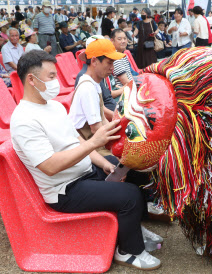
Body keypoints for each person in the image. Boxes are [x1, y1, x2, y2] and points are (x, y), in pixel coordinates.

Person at [11, 49, 162, 271]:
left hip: (84, 172)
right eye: (51, 77)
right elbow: (50, 166)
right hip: (65, 190)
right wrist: (94, 143)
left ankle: (133, 228)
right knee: (128, 195)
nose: (56, 82)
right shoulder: (24, 119)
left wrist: (104, 163)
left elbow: (75, 141)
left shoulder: (52, 106)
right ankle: (128, 251)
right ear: (32, 80)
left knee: (131, 169)